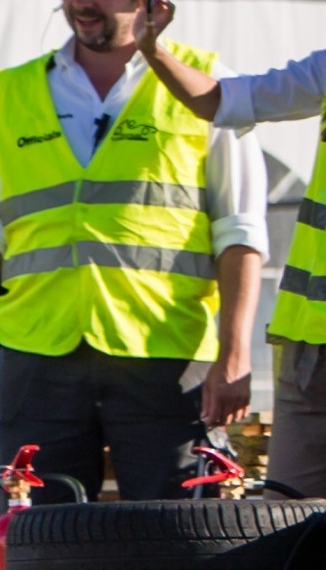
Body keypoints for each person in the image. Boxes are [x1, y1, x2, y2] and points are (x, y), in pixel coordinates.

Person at [0, 0, 263, 502]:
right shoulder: (17, 90)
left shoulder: (209, 85)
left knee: (176, 539)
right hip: (37, 357)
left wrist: (235, 354)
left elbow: (241, 233)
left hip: (165, 355)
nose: (80, 0)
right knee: (39, 541)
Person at [137, 32, 326, 497]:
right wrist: (150, 48)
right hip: (308, 345)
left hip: (308, 349)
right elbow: (223, 102)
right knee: (288, 519)